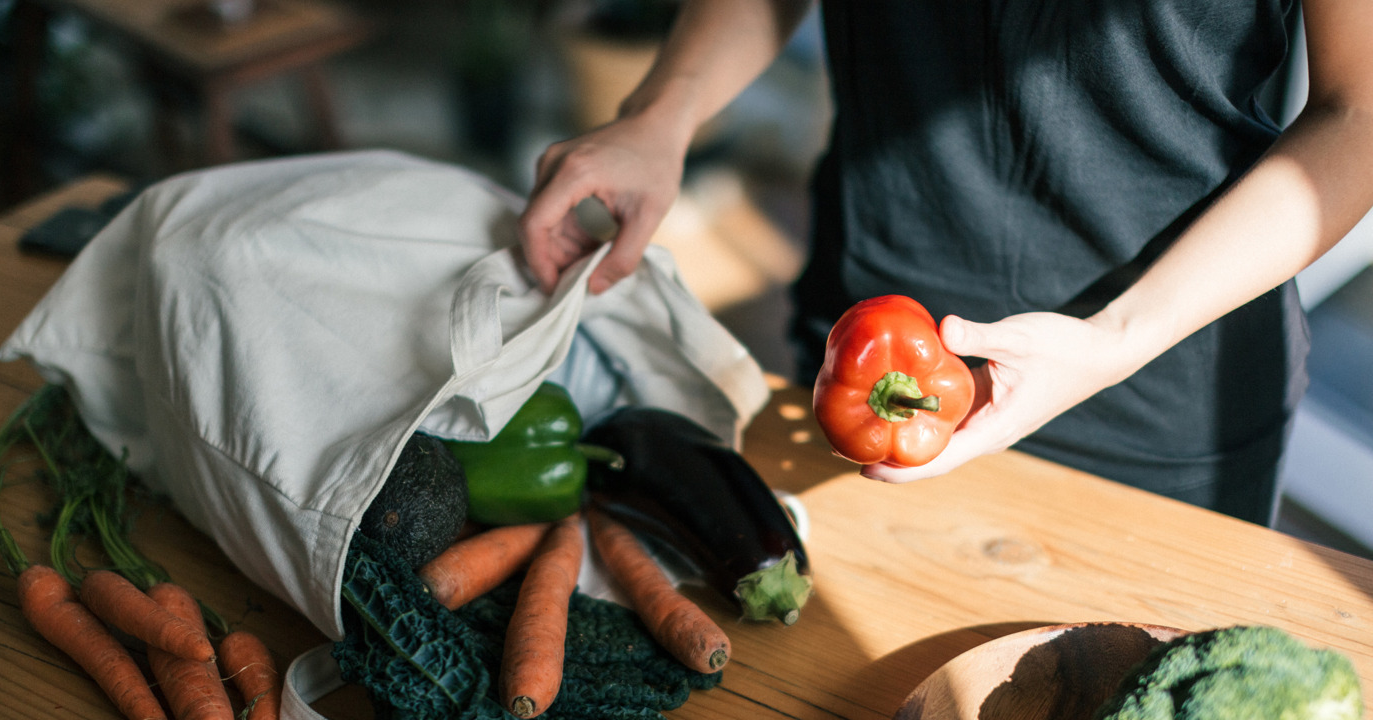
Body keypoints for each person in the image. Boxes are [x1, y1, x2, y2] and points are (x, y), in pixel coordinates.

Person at [516, 0, 1373, 526]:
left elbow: (1359, 113)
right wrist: (662, 116)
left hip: (1164, 381)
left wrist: (1115, 339)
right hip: (865, 345)